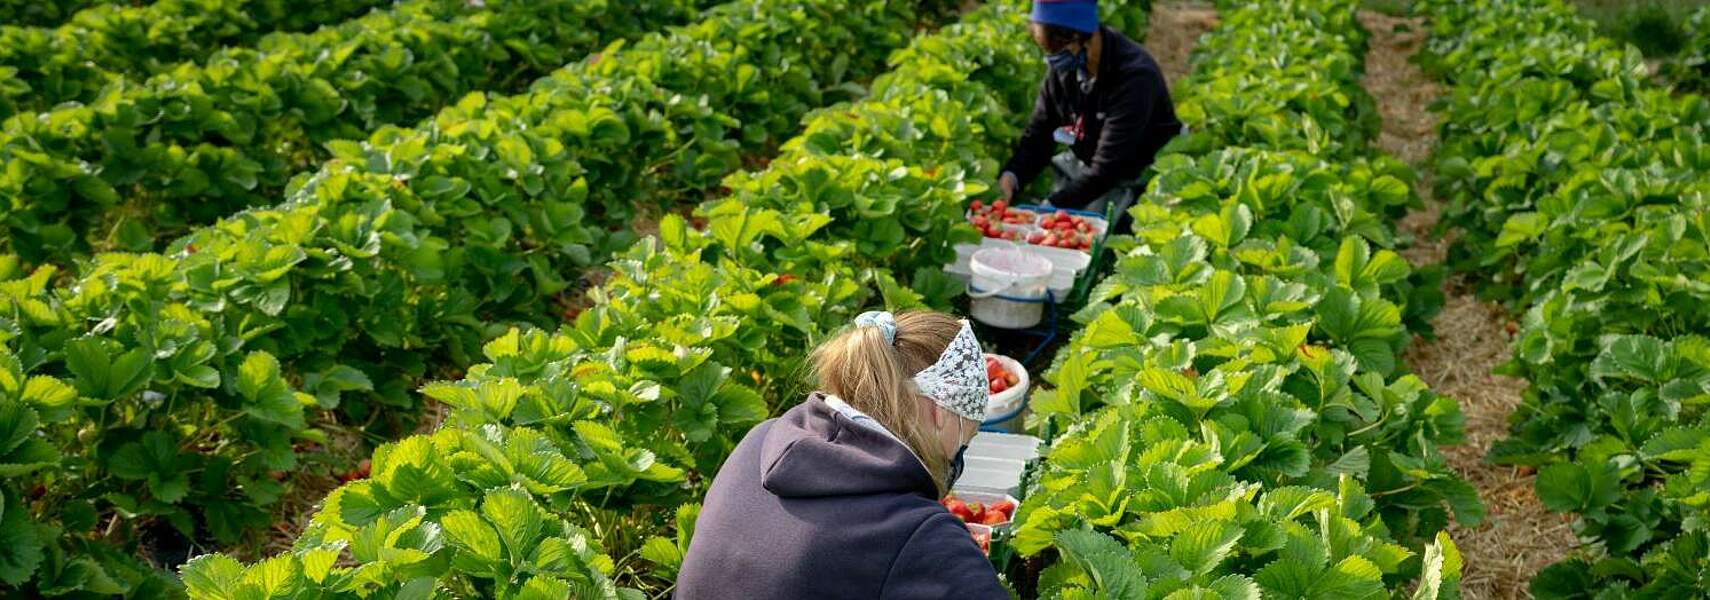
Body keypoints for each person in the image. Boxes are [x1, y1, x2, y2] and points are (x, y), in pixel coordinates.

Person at [675, 311, 1008, 599]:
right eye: (967, 437)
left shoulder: (760, 440)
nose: (959, 455)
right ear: (941, 412)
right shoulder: (922, 538)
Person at [999, 0, 1182, 219]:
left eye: (1055, 49)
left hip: (1138, 173)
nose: (1051, 57)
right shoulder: (1064, 71)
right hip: (1091, 165)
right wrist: (1011, 177)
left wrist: (1049, 208)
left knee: (1104, 239)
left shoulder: (1135, 77)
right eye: (1045, 48)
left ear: (1082, 38)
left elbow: (1108, 168)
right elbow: (1039, 136)